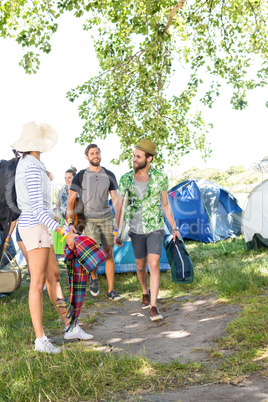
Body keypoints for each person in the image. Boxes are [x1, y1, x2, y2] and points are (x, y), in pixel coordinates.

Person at [12, 121, 93, 354]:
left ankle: (70, 327)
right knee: (37, 283)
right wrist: (64, 231)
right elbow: (37, 210)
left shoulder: (34, 164)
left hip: (42, 228)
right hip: (34, 228)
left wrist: (58, 225)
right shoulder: (30, 167)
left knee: (54, 277)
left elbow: (44, 207)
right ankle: (40, 340)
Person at [116, 139, 181, 321]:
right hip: (135, 229)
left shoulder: (160, 178)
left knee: (153, 265)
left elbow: (166, 205)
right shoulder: (126, 178)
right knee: (140, 266)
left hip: (155, 227)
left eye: (138, 156)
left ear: (149, 158)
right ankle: (145, 291)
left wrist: (174, 227)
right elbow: (120, 207)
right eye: (134, 156)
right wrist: (117, 231)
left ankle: (153, 306)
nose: (134, 159)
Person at [66, 144, 122, 301]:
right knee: (94, 254)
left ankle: (111, 290)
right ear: (87, 157)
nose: (96, 155)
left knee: (109, 253)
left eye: (97, 152)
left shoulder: (109, 175)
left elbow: (116, 200)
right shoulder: (81, 176)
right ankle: (94, 276)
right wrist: (70, 223)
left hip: (106, 217)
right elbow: (70, 201)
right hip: (89, 219)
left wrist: (119, 222)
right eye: (92, 153)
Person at [52, 167, 77, 257]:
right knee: (66, 247)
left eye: (69, 178)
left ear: (74, 178)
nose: (67, 180)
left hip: (75, 221)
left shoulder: (79, 191)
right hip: (64, 221)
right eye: (65, 178)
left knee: (75, 245)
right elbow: (57, 206)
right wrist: (59, 217)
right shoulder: (61, 191)